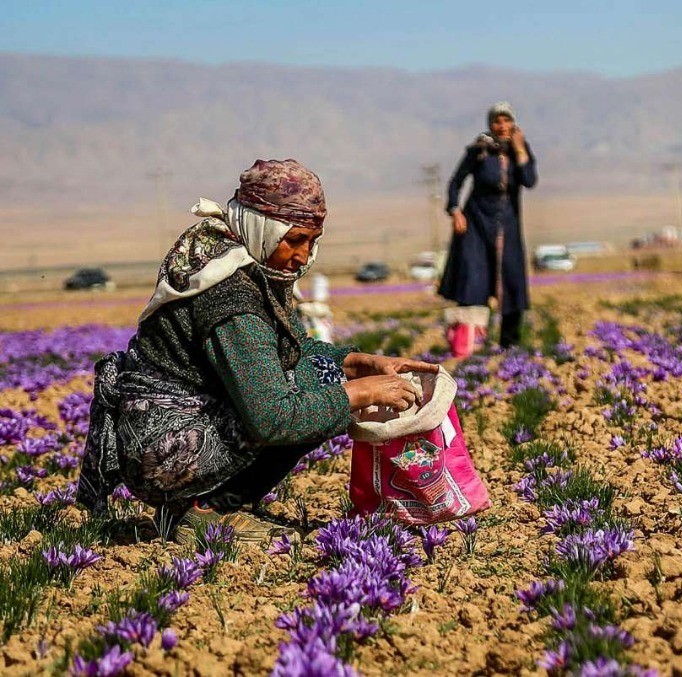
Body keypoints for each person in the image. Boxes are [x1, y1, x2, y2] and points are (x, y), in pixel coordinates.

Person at [75, 159, 437, 536]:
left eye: (312, 241)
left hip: (175, 428)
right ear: (262, 228)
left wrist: (351, 363)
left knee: (322, 380)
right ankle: (205, 509)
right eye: (294, 239)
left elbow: (287, 351)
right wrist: (357, 394)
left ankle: (209, 505)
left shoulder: (248, 262)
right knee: (314, 399)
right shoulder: (231, 296)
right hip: (165, 449)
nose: (302, 256)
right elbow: (272, 418)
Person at [438, 101, 538, 348]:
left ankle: (509, 345)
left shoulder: (520, 151)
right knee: (473, 282)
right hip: (476, 226)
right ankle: (468, 344)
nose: (502, 126)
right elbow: (455, 182)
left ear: (513, 123)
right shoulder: (479, 150)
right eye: (497, 121)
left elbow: (529, 180)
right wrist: (455, 210)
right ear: (490, 124)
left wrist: (520, 151)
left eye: (506, 121)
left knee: (512, 283)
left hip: (508, 228)